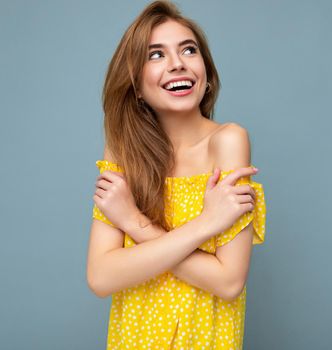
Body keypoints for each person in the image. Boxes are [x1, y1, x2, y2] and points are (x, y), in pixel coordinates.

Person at [86, 1, 267, 349]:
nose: (177, 64)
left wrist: (132, 222)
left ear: (207, 75)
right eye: (156, 55)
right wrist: (205, 225)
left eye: (189, 50)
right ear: (136, 85)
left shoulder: (228, 141)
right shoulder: (123, 149)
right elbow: (101, 276)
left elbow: (228, 281)